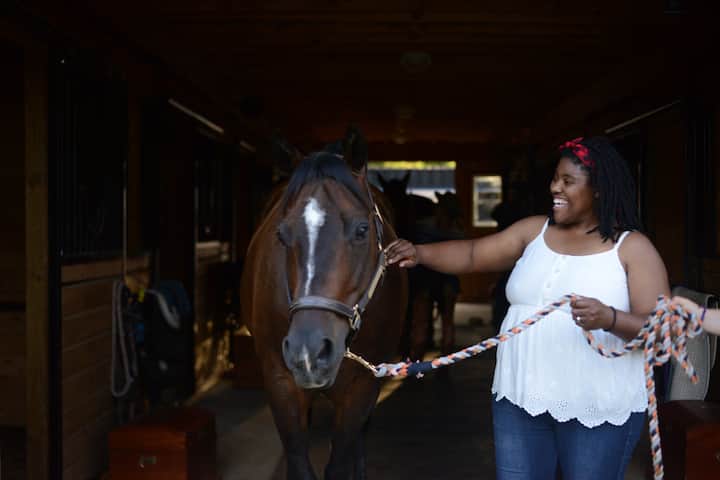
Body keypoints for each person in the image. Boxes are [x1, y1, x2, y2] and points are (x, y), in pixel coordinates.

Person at [385, 136, 670, 480]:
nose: (555, 188)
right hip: (520, 397)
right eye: (555, 178)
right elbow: (473, 254)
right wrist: (419, 253)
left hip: (598, 405)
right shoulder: (534, 231)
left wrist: (609, 318)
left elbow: (661, 330)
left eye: (568, 181)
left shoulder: (632, 248)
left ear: (598, 189)